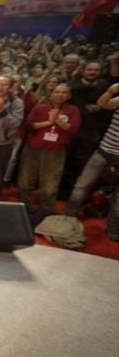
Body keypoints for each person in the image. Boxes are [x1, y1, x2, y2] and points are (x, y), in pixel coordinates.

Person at [65, 82, 119, 240]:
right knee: (82, 186)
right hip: (104, 151)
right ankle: (68, 218)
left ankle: (114, 230)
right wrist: (110, 91)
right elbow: (103, 104)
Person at [18, 84, 80, 210]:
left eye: (64, 92)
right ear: (51, 94)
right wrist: (48, 123)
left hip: (55, 151)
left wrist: (57, 120)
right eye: (57, 92)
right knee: (25, 182)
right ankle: (24, 208)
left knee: (50, 187)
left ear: (69, 96)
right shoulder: (41, 107)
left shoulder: (73, 110)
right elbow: (29, 124)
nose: (59, 95)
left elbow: (74, 129)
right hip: (33, 148)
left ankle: (47, 211)